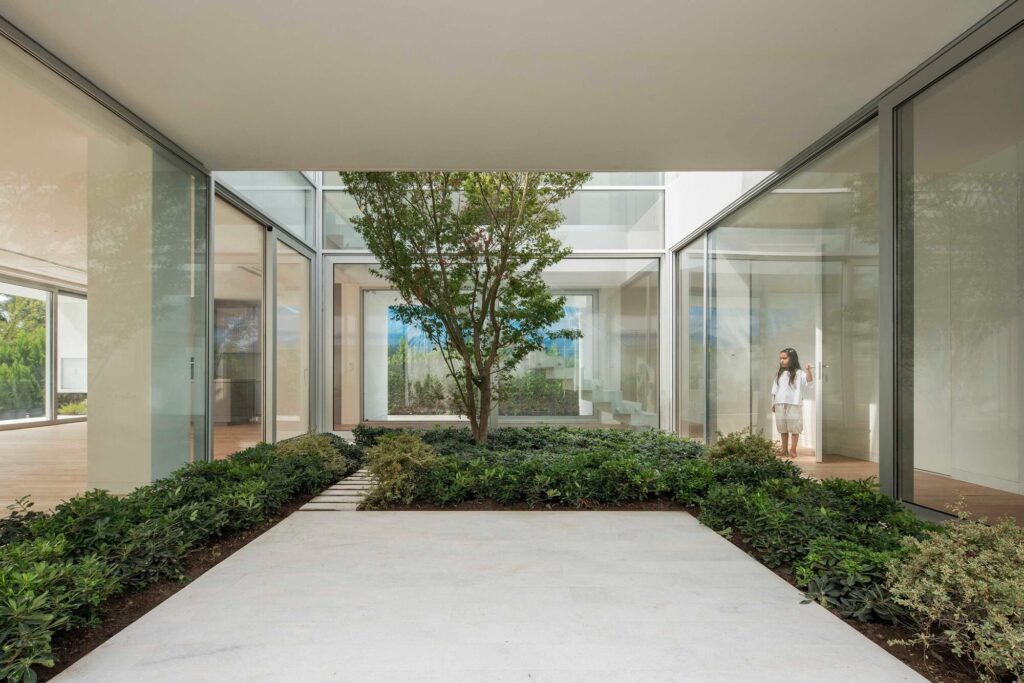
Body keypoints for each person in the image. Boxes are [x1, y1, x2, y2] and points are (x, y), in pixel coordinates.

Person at [771, 347, 814, 458]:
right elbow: (775, 390)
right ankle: (784, 450)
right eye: (780, 358)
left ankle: (793, 449)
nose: (781, 360)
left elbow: (809, 382)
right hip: (780, 403)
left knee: (794, 428)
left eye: (784, 358)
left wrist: (809, 370)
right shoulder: (779, 374)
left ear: (792, 359)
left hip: (794, 404)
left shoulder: (799, 373)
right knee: (782, 428)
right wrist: (773, 403)